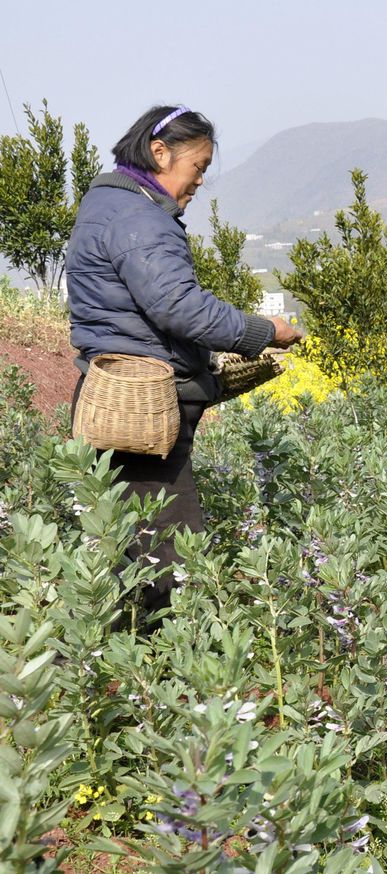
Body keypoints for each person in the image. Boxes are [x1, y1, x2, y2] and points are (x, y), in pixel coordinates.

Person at [66, 105, 302, 629]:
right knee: (170, 565)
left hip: (109, 398)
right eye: (197, 166)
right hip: (143, 418)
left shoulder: (107, 204)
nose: (199, 180)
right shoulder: (139, 219)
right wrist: (265, 333)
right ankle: (168, 682)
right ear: (159, 152)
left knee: (120, 552)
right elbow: (180, 307)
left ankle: (112, 676)